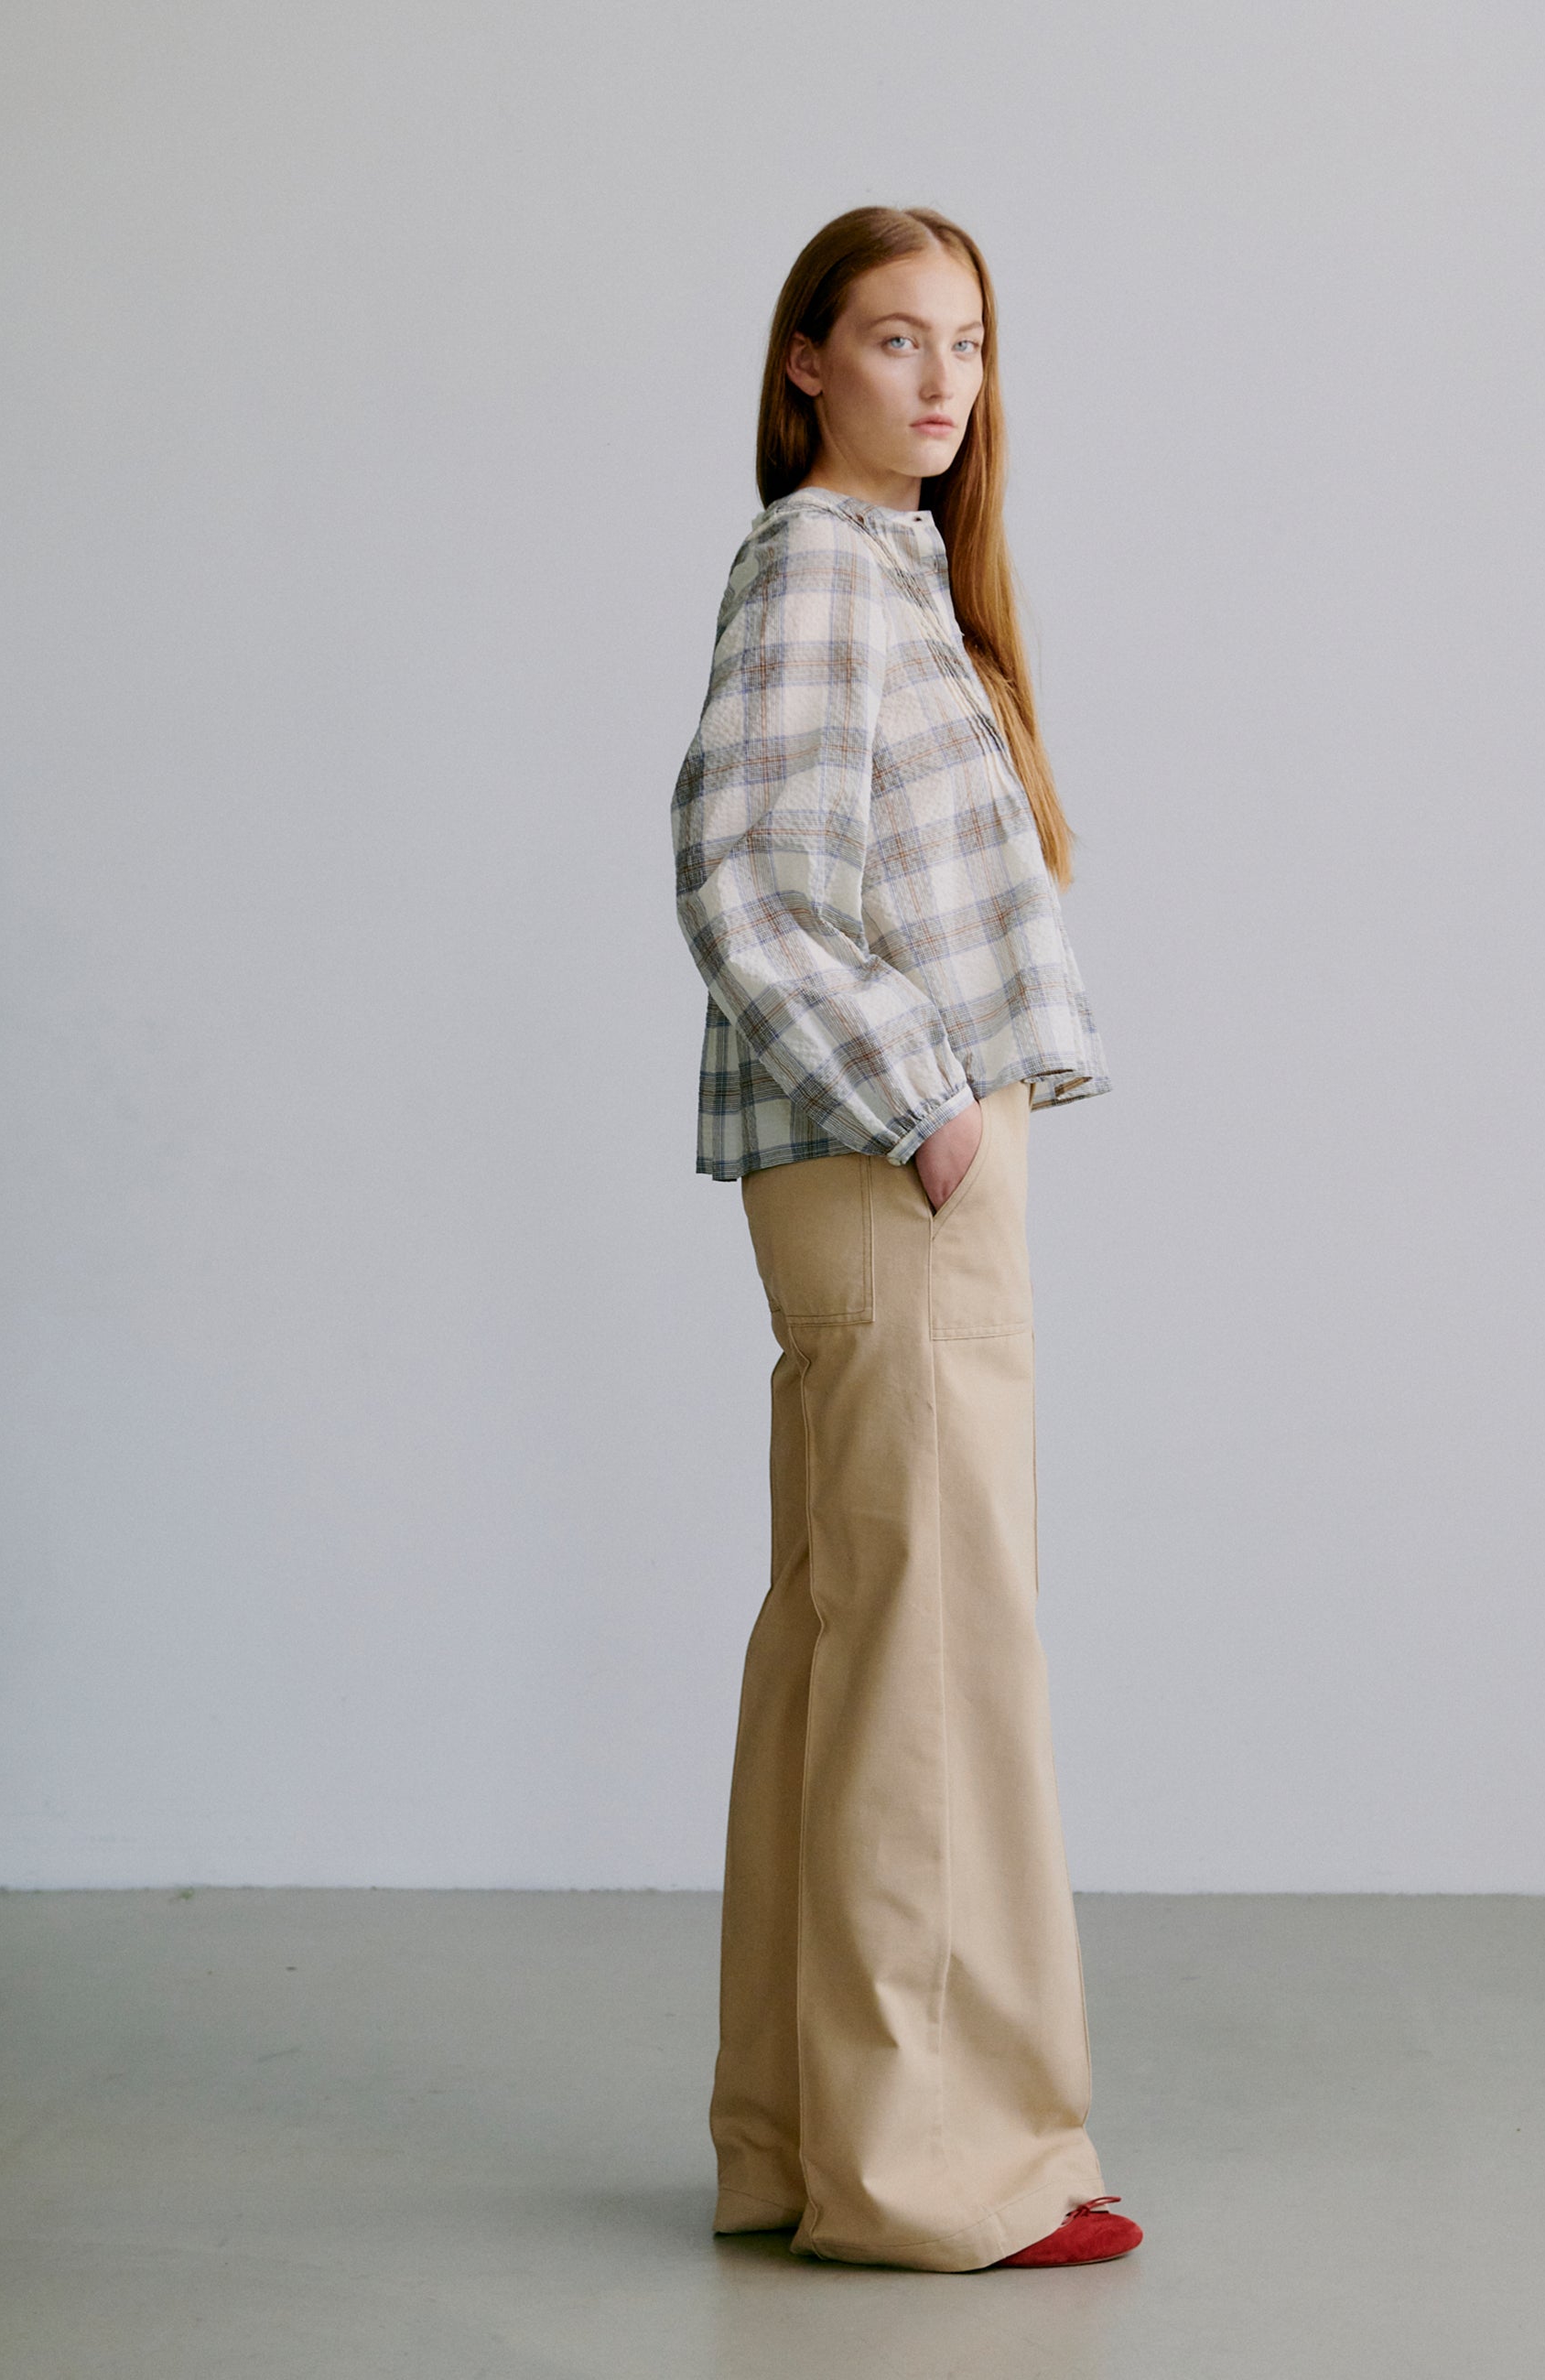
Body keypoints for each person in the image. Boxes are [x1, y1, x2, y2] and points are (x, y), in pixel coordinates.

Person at [670, 204, 1140, 2274]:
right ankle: (934, 2176)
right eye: (888, 339)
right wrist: (934, 1106)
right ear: (803, 365)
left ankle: (806, 2147)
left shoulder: (894, 581)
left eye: (962, 342)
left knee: (858, 1638)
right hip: (892, 1162)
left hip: (883, 1161)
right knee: (933, 1655)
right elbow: (743, 873)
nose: (938, 381)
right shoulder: (814, 570)